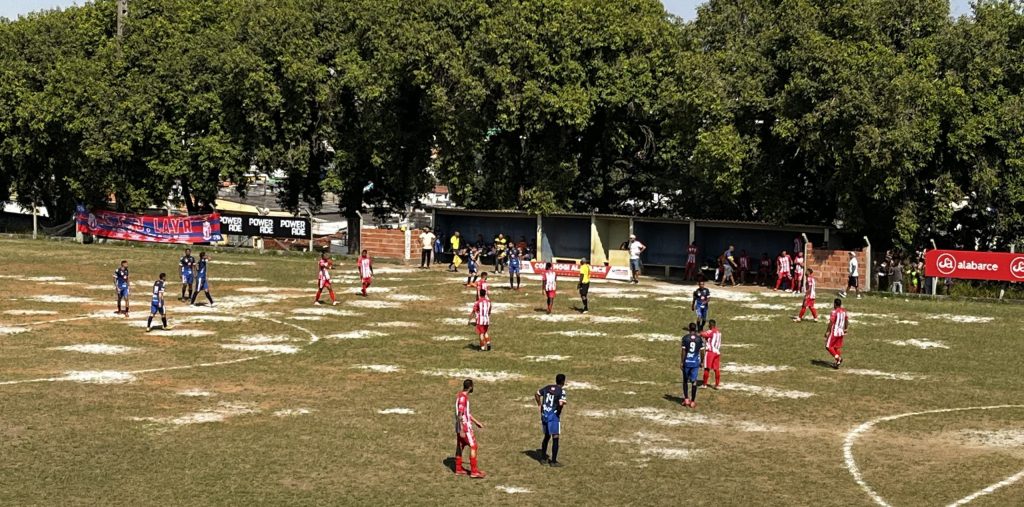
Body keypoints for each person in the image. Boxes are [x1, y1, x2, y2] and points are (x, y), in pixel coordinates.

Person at [453, 379, 486, 478]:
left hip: (459, 426)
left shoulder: (460, 396)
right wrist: (463, 428)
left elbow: (466, 413)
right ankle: (474, 471)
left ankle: (458, 468)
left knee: (460, 446)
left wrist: (476, 422)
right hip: (464, 426)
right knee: (473, 446)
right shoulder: (463, 398)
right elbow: (460, 413)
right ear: (470, 387)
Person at [535, 373, 568, 467]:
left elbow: (537, 394)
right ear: (563, 381)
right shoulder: (561, 391)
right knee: (555, 437)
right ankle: (553, 461)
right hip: (553, 416)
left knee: (546, 436)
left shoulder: (547, 387)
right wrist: (558, 411)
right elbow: (561, 403)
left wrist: (539, 405)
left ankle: (542, 458)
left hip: (545, 414)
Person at [680, 323, 704, 408]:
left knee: (685, 380)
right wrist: (702, 361)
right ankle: (693, 401)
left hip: (687, 362)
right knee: (694, 382)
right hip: (695, 363)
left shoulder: (685, 338)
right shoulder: (699, 339)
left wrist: (682, 362)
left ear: (689, 329)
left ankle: (686, 399)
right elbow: (702, 351)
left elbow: (683, 351)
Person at [825, 298, 849, 369]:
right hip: (841, 332)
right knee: (836, 347)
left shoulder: (834, 312)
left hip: (834, 332)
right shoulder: (844, 311)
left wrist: (827, 331)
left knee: (828, 346)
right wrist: (846, 328)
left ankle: (838, 359)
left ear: (835, 304)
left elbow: (831, 322)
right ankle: (837, 362)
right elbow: (846, 320)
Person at [700, 320, 722, 389]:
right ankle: (717, 384)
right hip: (717, 352)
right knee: (716, 369)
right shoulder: (718, 332)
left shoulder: (710, 331)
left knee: (707, 368)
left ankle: (704, 384)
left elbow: (702, 334)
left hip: (710, 352)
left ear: (710, 325)